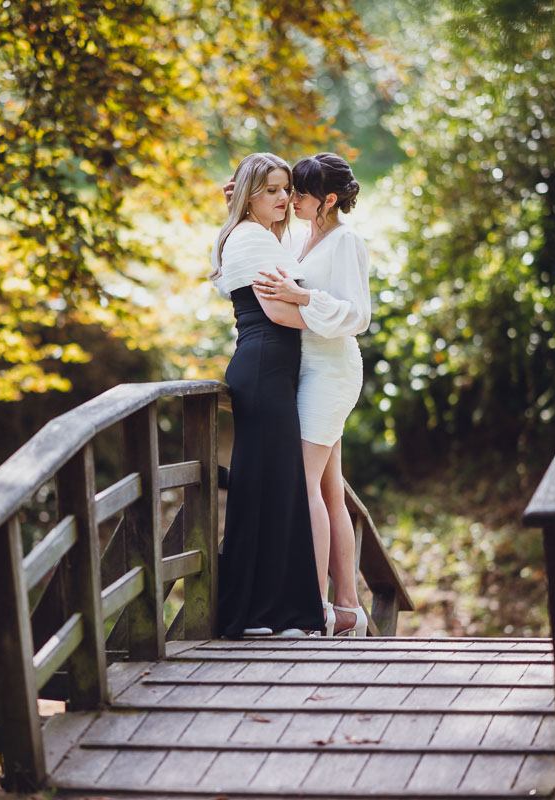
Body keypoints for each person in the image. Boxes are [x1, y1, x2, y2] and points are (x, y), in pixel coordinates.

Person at [251, 153, 371, 637]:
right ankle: (348, 610)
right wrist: (243, 203)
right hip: (306, 370)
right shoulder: (302, 238)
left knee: (303, 486)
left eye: (300, 193)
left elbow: (358, 315)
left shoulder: (346, 241)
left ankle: (312, 605)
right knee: (327, 490)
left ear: (329, 199)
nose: (292, 199)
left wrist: (303, 297)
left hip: (332, 370)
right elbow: (265, 243)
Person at [209, 152, 326, 638]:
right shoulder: (251, 237)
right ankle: (259, 613)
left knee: (275, 484)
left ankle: (272, 611)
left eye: (286, 190)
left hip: (272, 369)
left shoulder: (260, 234)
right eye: (272, 190)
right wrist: (334, 321)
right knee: (265, 486)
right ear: (249, 194)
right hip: (262, 367)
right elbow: (277, 314)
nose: (283, 198)